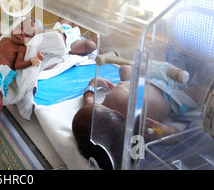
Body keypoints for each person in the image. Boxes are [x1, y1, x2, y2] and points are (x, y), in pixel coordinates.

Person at [72, 65, 206, 169]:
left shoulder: (94, 112)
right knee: (201, 92)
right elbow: (179, 136)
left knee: (124, 69)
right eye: (101, 106)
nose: (102, 103)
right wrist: (164, 131)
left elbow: (89, 99)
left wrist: (93, 83)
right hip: (170, 92)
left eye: (101, 104)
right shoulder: (137, 125)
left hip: (141, 78)